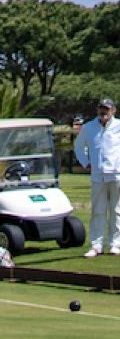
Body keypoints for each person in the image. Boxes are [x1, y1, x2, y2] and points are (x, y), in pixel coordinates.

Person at [75, 98, 120, 256]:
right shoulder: (88, 127)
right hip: (97, 175)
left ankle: (115, 244)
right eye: (101, 109)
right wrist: (86, 162)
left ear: (112, 110)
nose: (103, 112)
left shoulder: (118, 126)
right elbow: (79, 146)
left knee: (116, 210)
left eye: (107, 109)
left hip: (116, 174)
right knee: (98, 210)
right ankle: (96, 245)